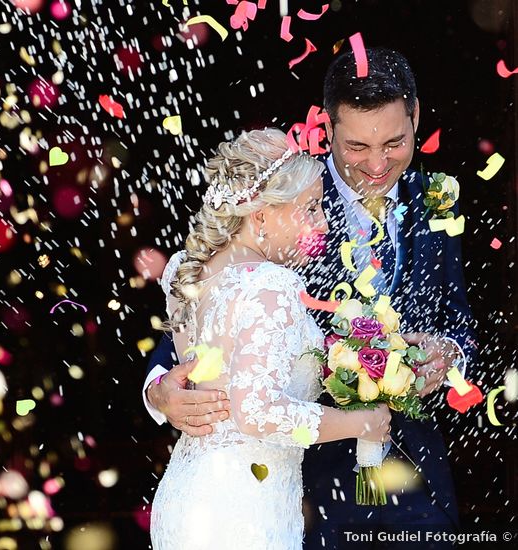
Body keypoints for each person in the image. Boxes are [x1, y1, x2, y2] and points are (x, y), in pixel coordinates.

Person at [144, 48, 477, 549]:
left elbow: (460, 320)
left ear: (416, 117)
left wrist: (450, 353)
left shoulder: (438, 200)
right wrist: (158, 391)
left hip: (418, 483)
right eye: (356, 146)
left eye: (394, 142)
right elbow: (202, 320)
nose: (377, 163)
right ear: (327, 128)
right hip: (307, 494)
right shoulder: (283, 204)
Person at [150, 127, 392, 549]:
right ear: (260, 215)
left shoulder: (187, 272)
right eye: (311, 208)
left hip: (189, 498)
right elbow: (258, 413)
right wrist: (362, 422)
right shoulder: (271, 284)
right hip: (241, 515)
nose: (322, 222)